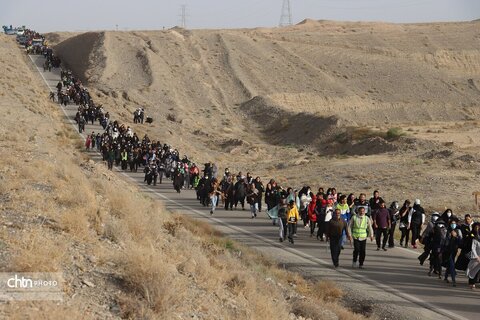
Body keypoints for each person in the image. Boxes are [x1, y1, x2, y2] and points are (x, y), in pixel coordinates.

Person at [443, 217, 462, 286]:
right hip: (447, 251)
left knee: (450, 264)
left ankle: (445, 277)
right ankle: (454, 280)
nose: (453, 225)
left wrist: (456, 236)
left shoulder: (458, 231)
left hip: (454, 251)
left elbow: (460, 242)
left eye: (454, 223)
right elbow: (444, 241)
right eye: (452, 223)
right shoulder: (446, 231)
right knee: (452, 264)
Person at [466, 223, 480, 289]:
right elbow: (473, 248)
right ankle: (472, 282)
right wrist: (476, 256)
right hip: (476, 257)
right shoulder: (475, 238)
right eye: (476, 227)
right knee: (473, 270)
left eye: (478, 227)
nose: (477, 229)